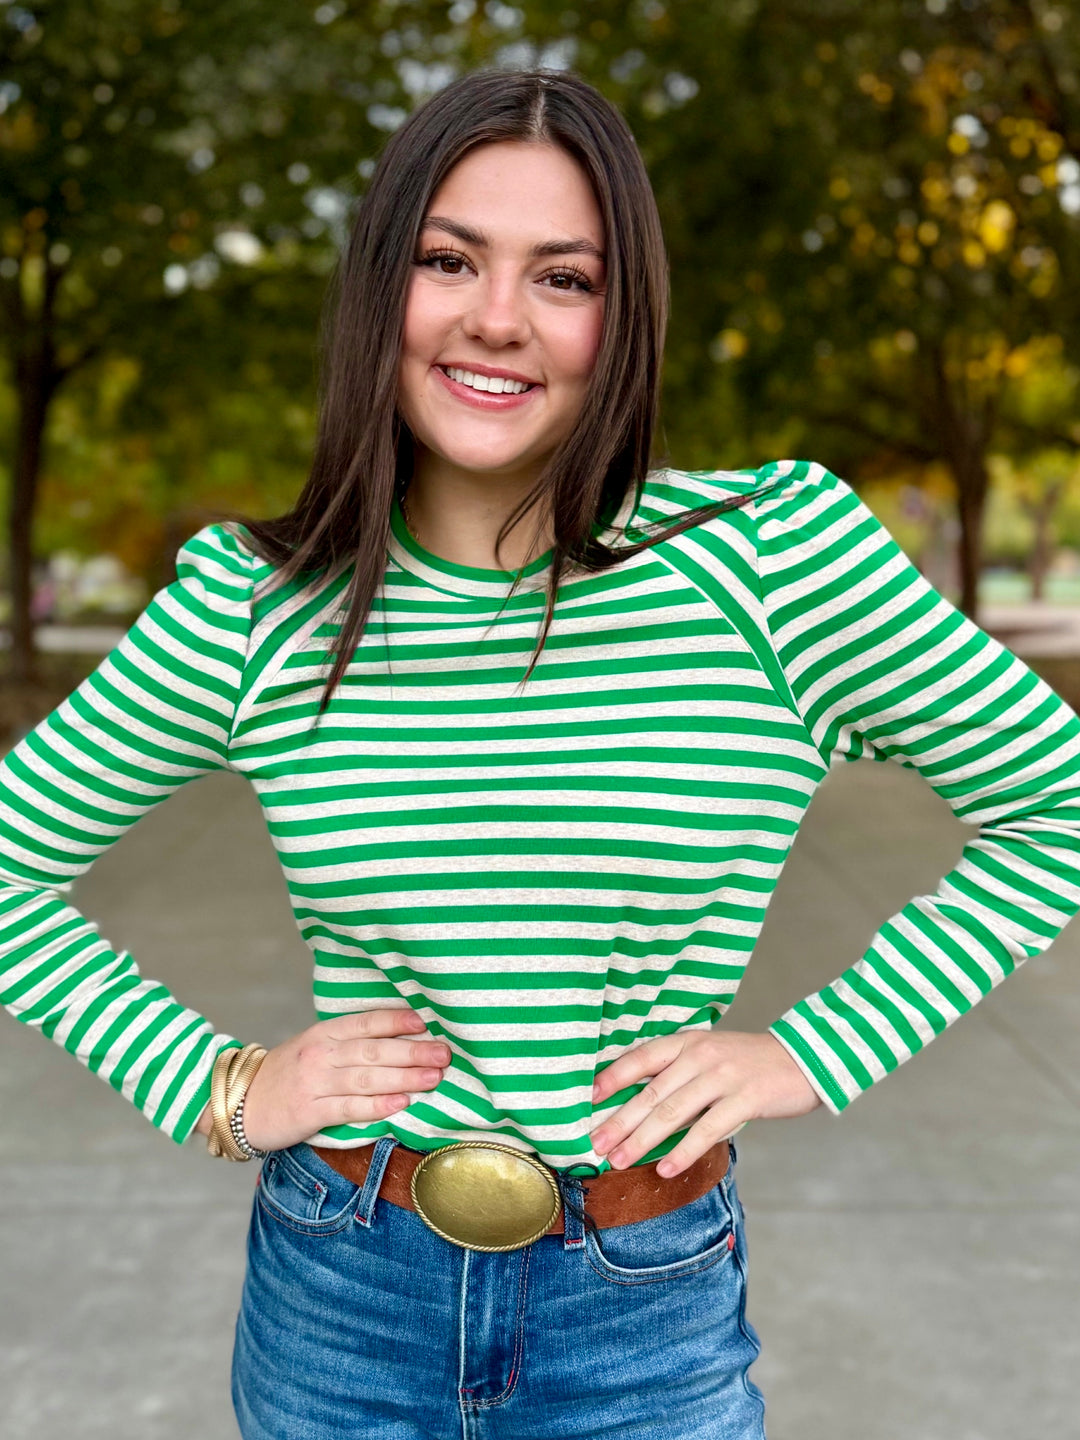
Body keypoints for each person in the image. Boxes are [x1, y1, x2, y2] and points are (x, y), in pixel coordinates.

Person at [1, 66, 1078, 1439]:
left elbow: (1055, 803)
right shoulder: (251, 605)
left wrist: (813, 1053)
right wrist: (223, 1090)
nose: (497, 318)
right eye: (448, 260)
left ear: (622, 320)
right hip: (341, 1295)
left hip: (641, 1304)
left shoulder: (772, 561)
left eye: (563, 278)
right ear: (381, 287)